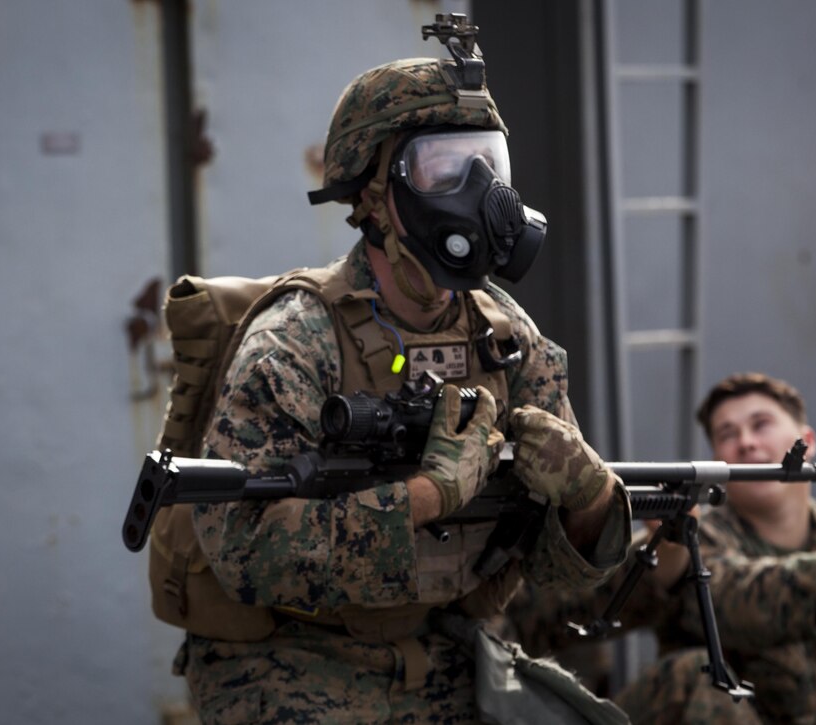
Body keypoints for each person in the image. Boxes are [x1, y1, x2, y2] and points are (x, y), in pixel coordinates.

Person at [170, 21, 634, 725]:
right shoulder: (295, 340)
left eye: (489, 164)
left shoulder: (507, 337)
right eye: (443, 168)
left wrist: (590, 496)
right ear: (375, 196)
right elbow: (244, 552)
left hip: (448, 650)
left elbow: (552, 573)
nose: (480, 193)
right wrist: (426, 495)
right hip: (291, 662)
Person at [507, 371, 816, 724]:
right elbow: (735, 600)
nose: (746, 442)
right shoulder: (693, 540)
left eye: (761, 424)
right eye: (728, 434)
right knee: (698, 676)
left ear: (805, 443)